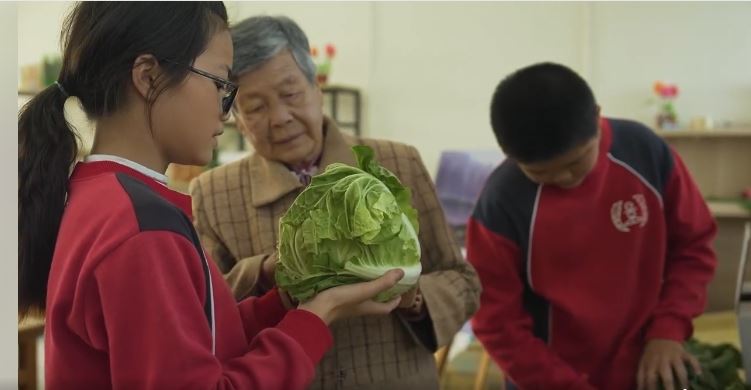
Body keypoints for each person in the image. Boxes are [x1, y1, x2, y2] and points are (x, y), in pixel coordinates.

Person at [18, 3, 405, 389]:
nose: (227, 111)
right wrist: (319, 315)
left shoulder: (103, 196)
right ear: (149, 77)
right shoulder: (141, 229)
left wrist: (286, 300)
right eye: (219, 84)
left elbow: (201, 342)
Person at [190, 15, 481, 389]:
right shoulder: (213, 192)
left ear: (317, 88)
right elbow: (208, 314)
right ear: (238, 121)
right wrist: (268, 270)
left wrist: (413, 296)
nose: (280, 118)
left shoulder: (398, 162)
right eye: (256, 107)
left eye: (291, 93)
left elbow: (463, 281)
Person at [466, 62, 717, 390]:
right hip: (548, 380)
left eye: (576, 161)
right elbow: (496, 322)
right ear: (508, 154)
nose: (564, 179)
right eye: (541, 173)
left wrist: (668, 331)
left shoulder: (644, 152)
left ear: (597, 117)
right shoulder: (501, 203)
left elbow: (693, 247)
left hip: (647, 368)